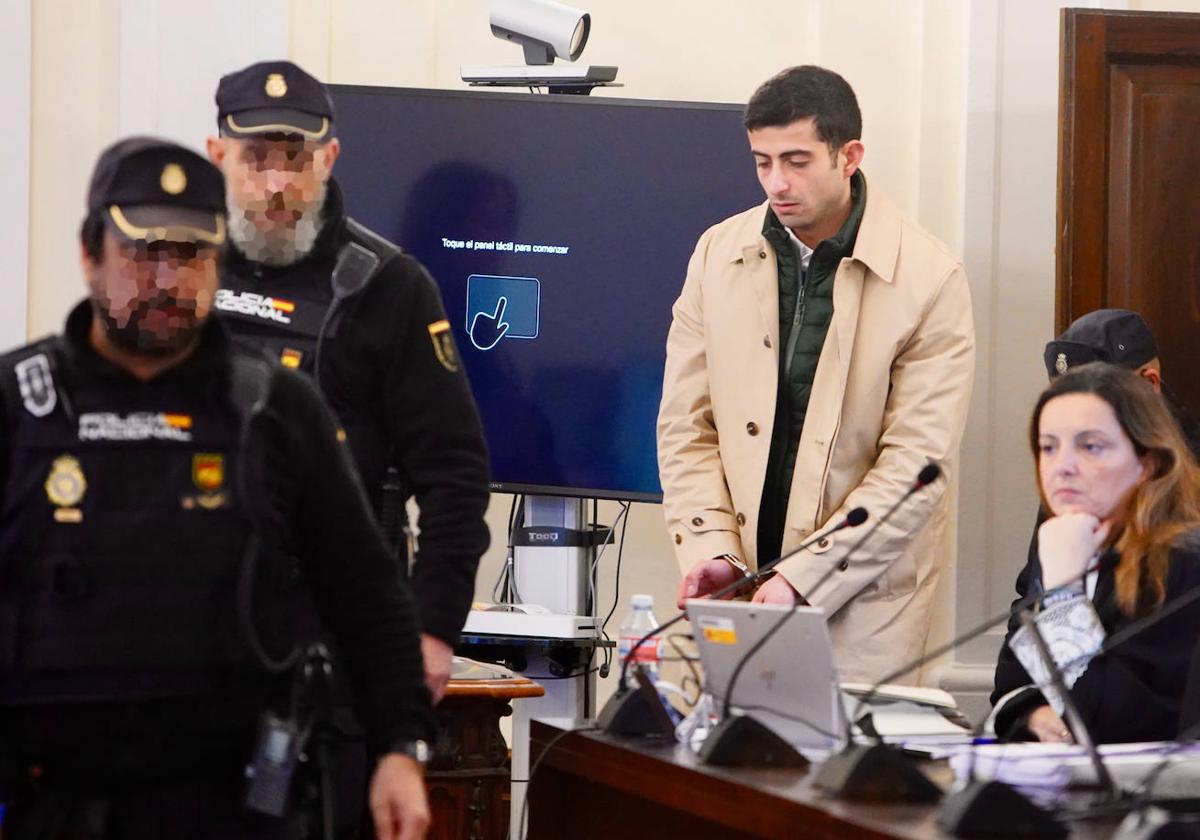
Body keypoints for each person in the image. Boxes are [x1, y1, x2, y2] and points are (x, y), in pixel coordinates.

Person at [0, 137, 433, 839]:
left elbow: (367, 595)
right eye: (145, 252)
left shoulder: (277, 409)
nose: (169, 278)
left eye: (193, 254)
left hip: (235, 807)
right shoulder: (18, 407)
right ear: (89, 254)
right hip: (52, 804)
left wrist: (400, 747)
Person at [657, 65, 975, 682]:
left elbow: (916, 466)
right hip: (737, 583)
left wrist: (805, 577)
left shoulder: (931, 277)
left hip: (865, 605)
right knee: (713, 773)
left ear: (848, 155)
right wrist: (711, 551)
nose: (777, 182)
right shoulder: (715, 253)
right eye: (762, 161)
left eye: (797, 160)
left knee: (841, 777)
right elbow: (685, 427)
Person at [206, 61, 491, 703]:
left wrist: (435, 629)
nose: (277, 183)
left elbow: (453, 473)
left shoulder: (387, 287)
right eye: (255, 158)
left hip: (335, 636)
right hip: (190, 628)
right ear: (217, 155)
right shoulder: (176, 273)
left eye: (296, 158)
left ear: (329, 158)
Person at [990, 363, 1200, 743]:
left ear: (1147, 462)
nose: (1062, 467)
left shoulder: (1183, 561)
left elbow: (1117, 723)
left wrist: (1064, 595)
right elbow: (1010, 684)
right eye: (1048, 447)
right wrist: (1034, 716)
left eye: (1090, 446)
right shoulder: (1062, 542)